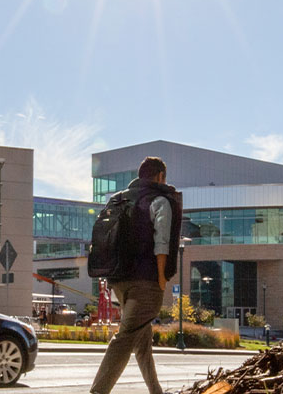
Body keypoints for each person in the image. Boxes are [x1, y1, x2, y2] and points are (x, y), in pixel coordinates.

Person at [91, 156, 183, 394]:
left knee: (142, 341)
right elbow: (162, 243)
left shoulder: (119, 199)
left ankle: (156, 391)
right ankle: (97, 392)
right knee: (125, 338)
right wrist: (162, 278)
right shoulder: (160, 200)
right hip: (146, 282)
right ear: (160, 176)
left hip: (118, 280)